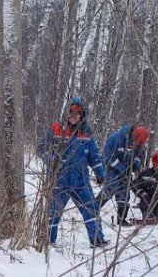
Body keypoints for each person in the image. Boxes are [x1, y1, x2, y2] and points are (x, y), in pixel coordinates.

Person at [39, 97, 108, 248]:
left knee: (91, 210)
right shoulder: (56, 129)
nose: (74, 115)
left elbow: (94, 156)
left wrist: (101, 173)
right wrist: (52, 160)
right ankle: (48, 241)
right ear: (67, 112)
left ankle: (97, 239)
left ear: (82, 115)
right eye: (72, 112)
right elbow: (42, 147)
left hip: (81, 180)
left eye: (78, 113)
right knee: (53, 212)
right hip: (60, 179)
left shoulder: (86, 134)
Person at [100, 122, 150, 225]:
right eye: (136, 142)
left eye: (139, 144)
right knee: (111, 187)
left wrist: (135, 165)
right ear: (132, 135)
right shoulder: (116, 138)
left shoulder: (139, 144)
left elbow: (138, 157)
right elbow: (108, 156)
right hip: (111, 167)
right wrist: (122, 167)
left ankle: (121, 219)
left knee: (124, 192)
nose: (136, 145)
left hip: (125, 169)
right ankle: (93, 210)